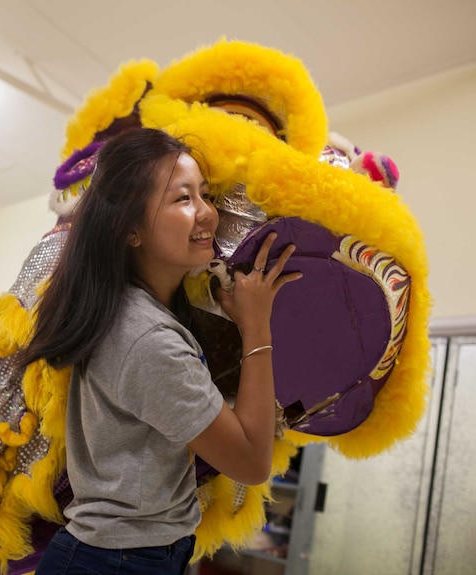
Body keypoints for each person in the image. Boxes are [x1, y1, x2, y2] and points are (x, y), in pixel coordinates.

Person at [23, 128, 301, 575]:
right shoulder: (147, 339)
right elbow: (251, 463)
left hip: (126, 555)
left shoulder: (134, 310)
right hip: (114, 563)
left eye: (205, 194)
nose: (207, 213)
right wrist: (256, 328)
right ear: (131, 229)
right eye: (183, 199)